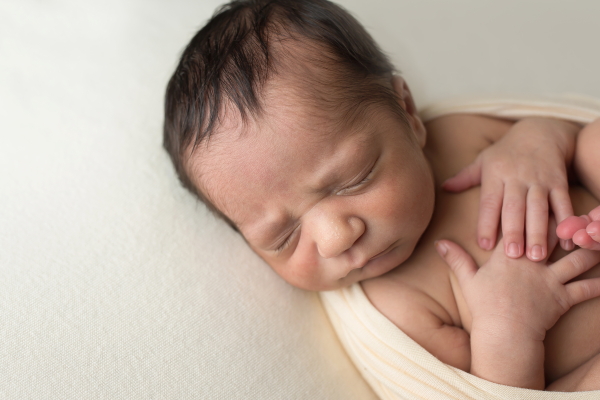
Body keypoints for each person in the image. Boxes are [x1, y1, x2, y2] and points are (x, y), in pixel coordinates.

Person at [162, 0, 600, 391]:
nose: (337, 238)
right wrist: (507, 326)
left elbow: (570, 128)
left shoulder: (456, 136)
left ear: (407, 114)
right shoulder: (396, 314)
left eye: (353, 178)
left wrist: (535, 142)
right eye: (283, 237)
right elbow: (489, 391)